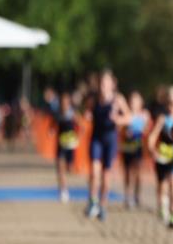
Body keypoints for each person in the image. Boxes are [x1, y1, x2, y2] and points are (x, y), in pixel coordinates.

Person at [85, 69, 131, 221]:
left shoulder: (118, 99)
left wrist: (118, 119)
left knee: (106, 175)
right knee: (94, 170)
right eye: (101, 82)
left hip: (110, 139)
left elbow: (129, 117)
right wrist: (88, 115)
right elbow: (87, 112)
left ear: (112, 84)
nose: (103, 85)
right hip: (96, 138)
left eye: (106, 82)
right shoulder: (94, 99)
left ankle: (103, 205)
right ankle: (93, 201)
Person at [147, 85, 173, 228]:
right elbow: (152, 137)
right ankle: (162, 206)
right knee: (162, 186)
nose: (171, 106)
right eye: (168, 103)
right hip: (161, 157)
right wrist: (152, 151)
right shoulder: (162, 119)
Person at [120, 91, 150, 209]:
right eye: (131, 101)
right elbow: (120, 127)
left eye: (136, 101)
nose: (133, 103)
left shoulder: (144, 114)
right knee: (127, 173)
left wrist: (141, 131)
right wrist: (125, 132)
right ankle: (128, 196)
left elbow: (147, 128)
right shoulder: (126, 115)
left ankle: (137, 195)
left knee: (137, 173)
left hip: (138, 147)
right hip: (127, 147)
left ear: (140, 102)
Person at [55, 90, 79, 203]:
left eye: (66, 101)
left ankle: (67, 187)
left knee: (69, 168)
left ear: (69, 102)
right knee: (60, 167)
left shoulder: (73, 113)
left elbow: (80, 125)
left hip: (71, 144)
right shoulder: (58, 113)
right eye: (62, 101)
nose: (64, 103)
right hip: (60, 144)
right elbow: (53, 125)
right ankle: (63, 190)